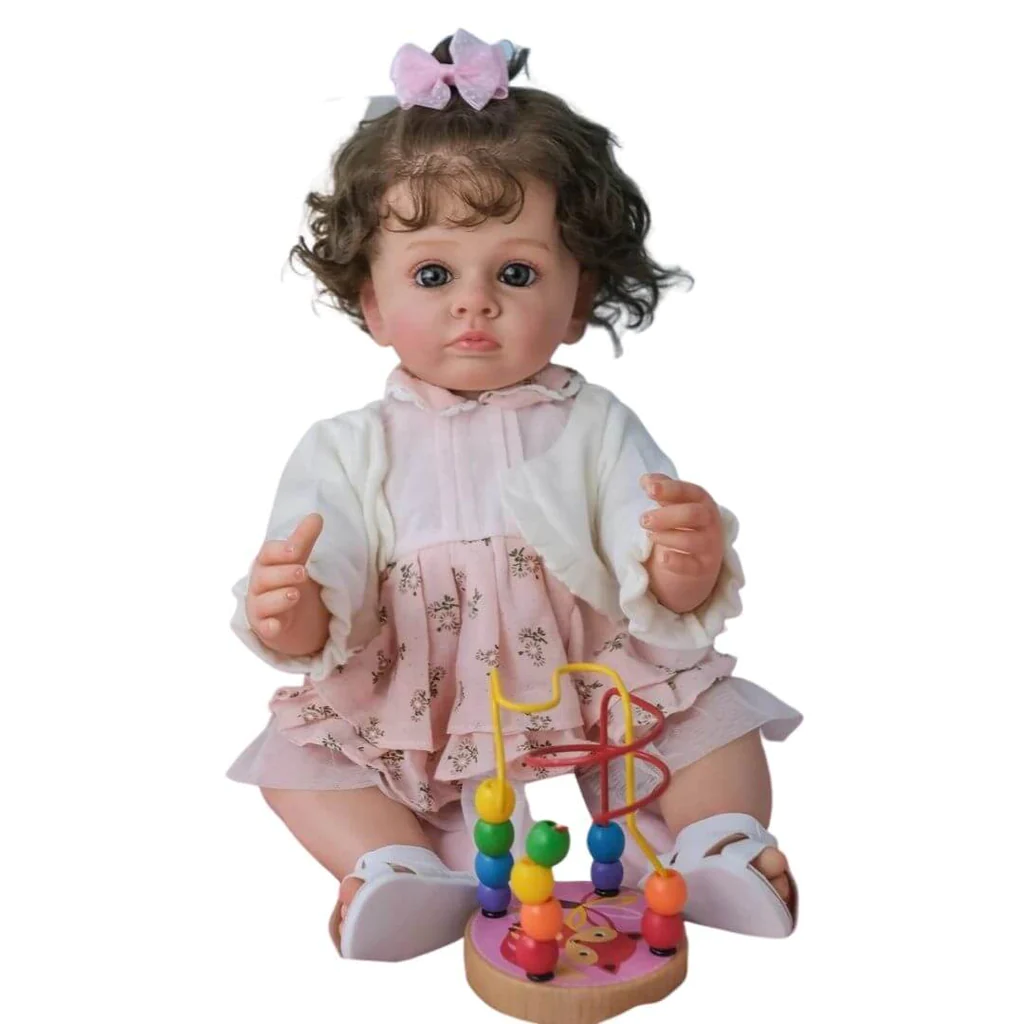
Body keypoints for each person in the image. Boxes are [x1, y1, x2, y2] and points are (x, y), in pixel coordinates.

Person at [227, 28, 803, 962]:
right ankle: (396, 867)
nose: (475, 301)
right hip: (421, 678)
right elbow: (324, 563)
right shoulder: (346, 446)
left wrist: (682, 562)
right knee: (302, 761)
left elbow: (644, 541)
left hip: (592, 663)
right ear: (371, 303)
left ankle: (718, 844)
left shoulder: (594, 421)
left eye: (518, 272)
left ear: (577, 300)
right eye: (432, 274)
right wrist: (296, 612)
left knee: (705, 720)